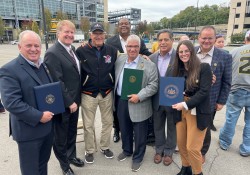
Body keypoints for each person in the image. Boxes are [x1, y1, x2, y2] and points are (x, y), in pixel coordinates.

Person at [0, 30, 54, 175]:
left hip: (47, 129)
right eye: (28, 45)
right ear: (19, 47)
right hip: (28, 132)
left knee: (43, 166)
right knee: (31, 171)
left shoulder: (43, 65)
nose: (33, 49)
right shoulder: (9, 69)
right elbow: (11, 103)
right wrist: (39, 116)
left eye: (36, 45)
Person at [44, 20, 84, 175]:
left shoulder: (71, 49)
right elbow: (56, 81)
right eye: (66, 32)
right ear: (58, 33)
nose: (69, 35)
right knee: (61, 137)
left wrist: (75, 101)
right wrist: (70, 101)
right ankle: (64, 166)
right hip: (64, 104)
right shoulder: (52, 53)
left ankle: (71, 156)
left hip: (75, 101)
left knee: (71, 132)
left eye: (72, 32)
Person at [114, 34, 158, 172]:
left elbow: (153, 85)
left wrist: (139, 96)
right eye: (129, 46)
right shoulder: (119, 60)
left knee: (140, 133)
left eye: (135, 46)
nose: (132, 49)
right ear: (125, 47)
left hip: (139, 103)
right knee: (124, 128)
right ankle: (127, 150)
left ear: (140, 47)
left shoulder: (149, 65)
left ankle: (138, 157)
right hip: (121, 101)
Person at [76, 22, 117, 164]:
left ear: (104, 35)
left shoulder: (112, 50)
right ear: (90, 35)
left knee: (108, 122)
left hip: (106, 92)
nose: (98, 36)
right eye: (95, 33)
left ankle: (105, 147)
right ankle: (89, 149)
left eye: (101, 33)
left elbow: (126, 57)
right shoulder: (80, 51)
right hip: (88, 93)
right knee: (88, 124)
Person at [106, 18, 152, 143]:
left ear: (130, 25)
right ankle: (117, 130)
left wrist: (152, 56)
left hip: (134, 79)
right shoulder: (110, 41)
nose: (124, 26)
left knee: (131, 110)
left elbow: (145, 52)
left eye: (126, 23)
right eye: (121, 24)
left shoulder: (138, 39)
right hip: (118, 77)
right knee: (118, 111)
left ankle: (130, 132)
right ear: (118, 26)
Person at [172, 40, 212, 175]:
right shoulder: (178, 70)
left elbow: (204, 92)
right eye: (181, 52)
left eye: (186, 51)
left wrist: (185, 104)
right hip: (179, 109)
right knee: (182, 144)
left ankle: (197, 172)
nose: (183, 54)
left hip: (196, 110)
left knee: (192, 148)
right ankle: (185, 168)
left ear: (192, 52)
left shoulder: (204, 68)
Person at [196, 26, 232, 163]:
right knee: (192, 125)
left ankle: (202, 152)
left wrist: (222, 101)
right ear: (199, 38)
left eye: (210, 38)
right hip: (191, 97)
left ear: (214, 39)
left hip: (210, 100)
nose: (206, 41)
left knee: (205, 127)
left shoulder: (225, 56)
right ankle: (192, 148)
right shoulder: (191, 52)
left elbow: (227, 81)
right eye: (204, 38)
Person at [219, 31, 250, 157]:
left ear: (245, 39)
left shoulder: (235, 51)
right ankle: (246, 148)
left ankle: (225, 142)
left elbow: (226, 71)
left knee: (231, 119)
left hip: (237, 90)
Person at [149, 29, 176, 166]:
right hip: (156, 99)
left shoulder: (179, 56)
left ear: (172, 40)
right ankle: (159, 149)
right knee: (158, 126)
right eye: (160, 40)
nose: (163, 42)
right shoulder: (152, 57)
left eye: (166, 39)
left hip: (172, 98)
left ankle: (169, 151)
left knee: (172, 126)